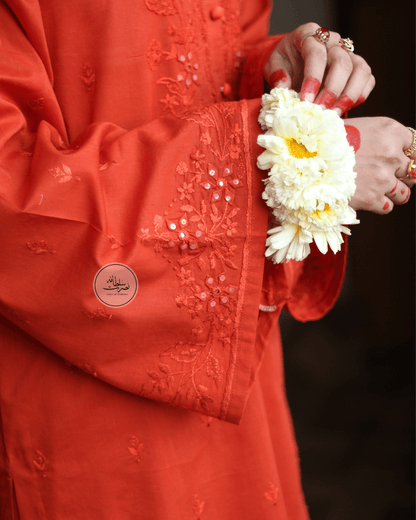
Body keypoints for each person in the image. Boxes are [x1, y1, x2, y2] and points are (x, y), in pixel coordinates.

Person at [0, 1, 414, 519]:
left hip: (224, 344)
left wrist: (277, 75)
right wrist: (305, 157)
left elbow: (207, 60)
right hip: (78, 392)